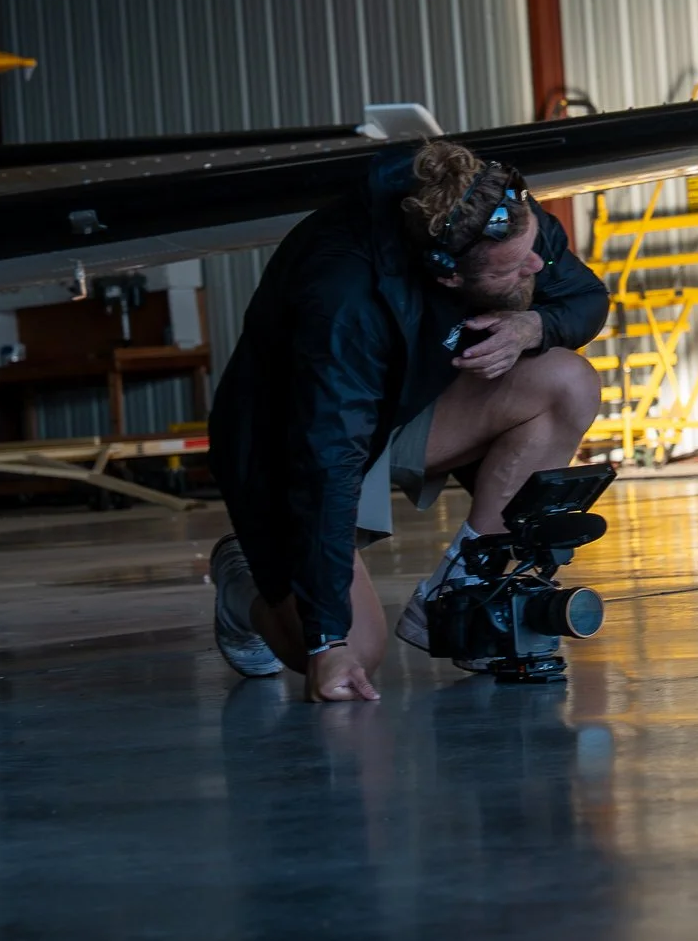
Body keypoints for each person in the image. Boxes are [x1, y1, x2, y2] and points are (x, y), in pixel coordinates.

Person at [205, 141, 608, 702]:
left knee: (569, 381)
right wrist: (327, 642)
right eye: (515, 267)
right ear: (446, 276)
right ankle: (241, 584)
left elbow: (585, 295)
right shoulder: (342, 299)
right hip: (291, 445)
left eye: (532, 249)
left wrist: (533, 327)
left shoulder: (500, 211)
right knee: (351, 654)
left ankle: (470, 587)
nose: (536, 266)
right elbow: (327, 464)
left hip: (411, 401)